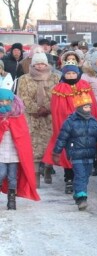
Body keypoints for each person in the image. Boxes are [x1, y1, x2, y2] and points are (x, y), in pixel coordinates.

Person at [42, 61, 97, 194]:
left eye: (73, 73)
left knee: (83, 153)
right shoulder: (59, 89)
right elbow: (57, 110)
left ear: (78, 73)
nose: (71, 75)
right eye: (68, 73)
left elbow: (93, 107)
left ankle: (80, 180)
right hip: (68, 127)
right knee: (68, 154)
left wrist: (94, 122)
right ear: (64, 74)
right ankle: (69, 179)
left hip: (84, 126)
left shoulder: (85, 86)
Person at [52, 93, 97, 210]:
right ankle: (81, 198)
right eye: (85, 107)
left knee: (85, 176)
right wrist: (57, 152)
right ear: (79, 108)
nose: (88, 109)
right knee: (80, 175)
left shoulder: (93, 121)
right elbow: (62, 138)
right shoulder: (70, 122)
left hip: (90, 155)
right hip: (76, 155)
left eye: (89, 107)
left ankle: (78, 193)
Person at [16, 52, 60, 188]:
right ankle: (35, 175)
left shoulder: (55, 78)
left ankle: (47, 168)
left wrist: (47, 108)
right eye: (37, 63)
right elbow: (22, 97)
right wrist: (36, 109)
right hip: (32, 117)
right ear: (33, 64)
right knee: (33, 147)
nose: (40, 66)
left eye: (42, 63)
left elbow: (57, 95)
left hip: (49, 117)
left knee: (49, 145)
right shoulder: (24, 79)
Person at [0, 79, 40, 210]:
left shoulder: (17, 117)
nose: (4, 104)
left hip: (14, 153)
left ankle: (11, 199)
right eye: (1, 101)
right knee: (1, 173)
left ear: (12, 102)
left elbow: (22, 136)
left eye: (7, 101)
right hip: (1, 152)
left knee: (12, 176)